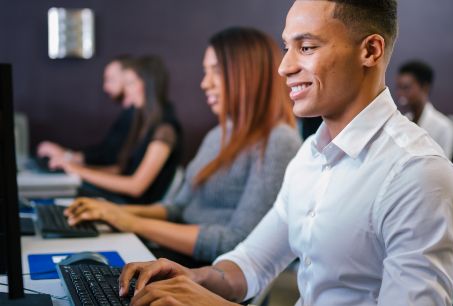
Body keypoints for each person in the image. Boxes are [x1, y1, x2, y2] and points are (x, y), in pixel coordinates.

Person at [116, 1, 453, 306]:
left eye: (307, 47)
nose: (284, 66)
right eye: (287, 47)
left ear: (370, 51)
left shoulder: (419, 176)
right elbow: (251, 262)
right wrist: (192, 279)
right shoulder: (309, 157)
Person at [64, 27, 302, 266]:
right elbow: (177, 208)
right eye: (205, 72)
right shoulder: (217, 135)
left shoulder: (278, 142)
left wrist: (131, 222)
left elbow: (236, 242)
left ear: (251, 74)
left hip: (206, 272)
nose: (204, 83)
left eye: (216, 71)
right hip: (175, 252)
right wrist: (112, 212)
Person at [53, 56, 183, 204]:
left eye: (130, 83)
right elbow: (119, 169)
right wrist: (76, 168)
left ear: (148, 84)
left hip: (134, 208)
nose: (125, 90)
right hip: (122, 199)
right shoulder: (141, 121)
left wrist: (79, 171)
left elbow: (136, 187)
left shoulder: (165, 129)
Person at [38, 55, 136, 168]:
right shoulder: (128, 114)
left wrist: (67, 157)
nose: (105, 87)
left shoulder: (135, 116)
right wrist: (67, 155)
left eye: (111, 79)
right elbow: (106, 149)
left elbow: (110, 157)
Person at [397, 60, 453, 158]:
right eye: (399, 87)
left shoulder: (443, 126)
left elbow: (443, 167)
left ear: (425, 88)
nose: (400, 93)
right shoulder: (403, 121)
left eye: (406, 88)